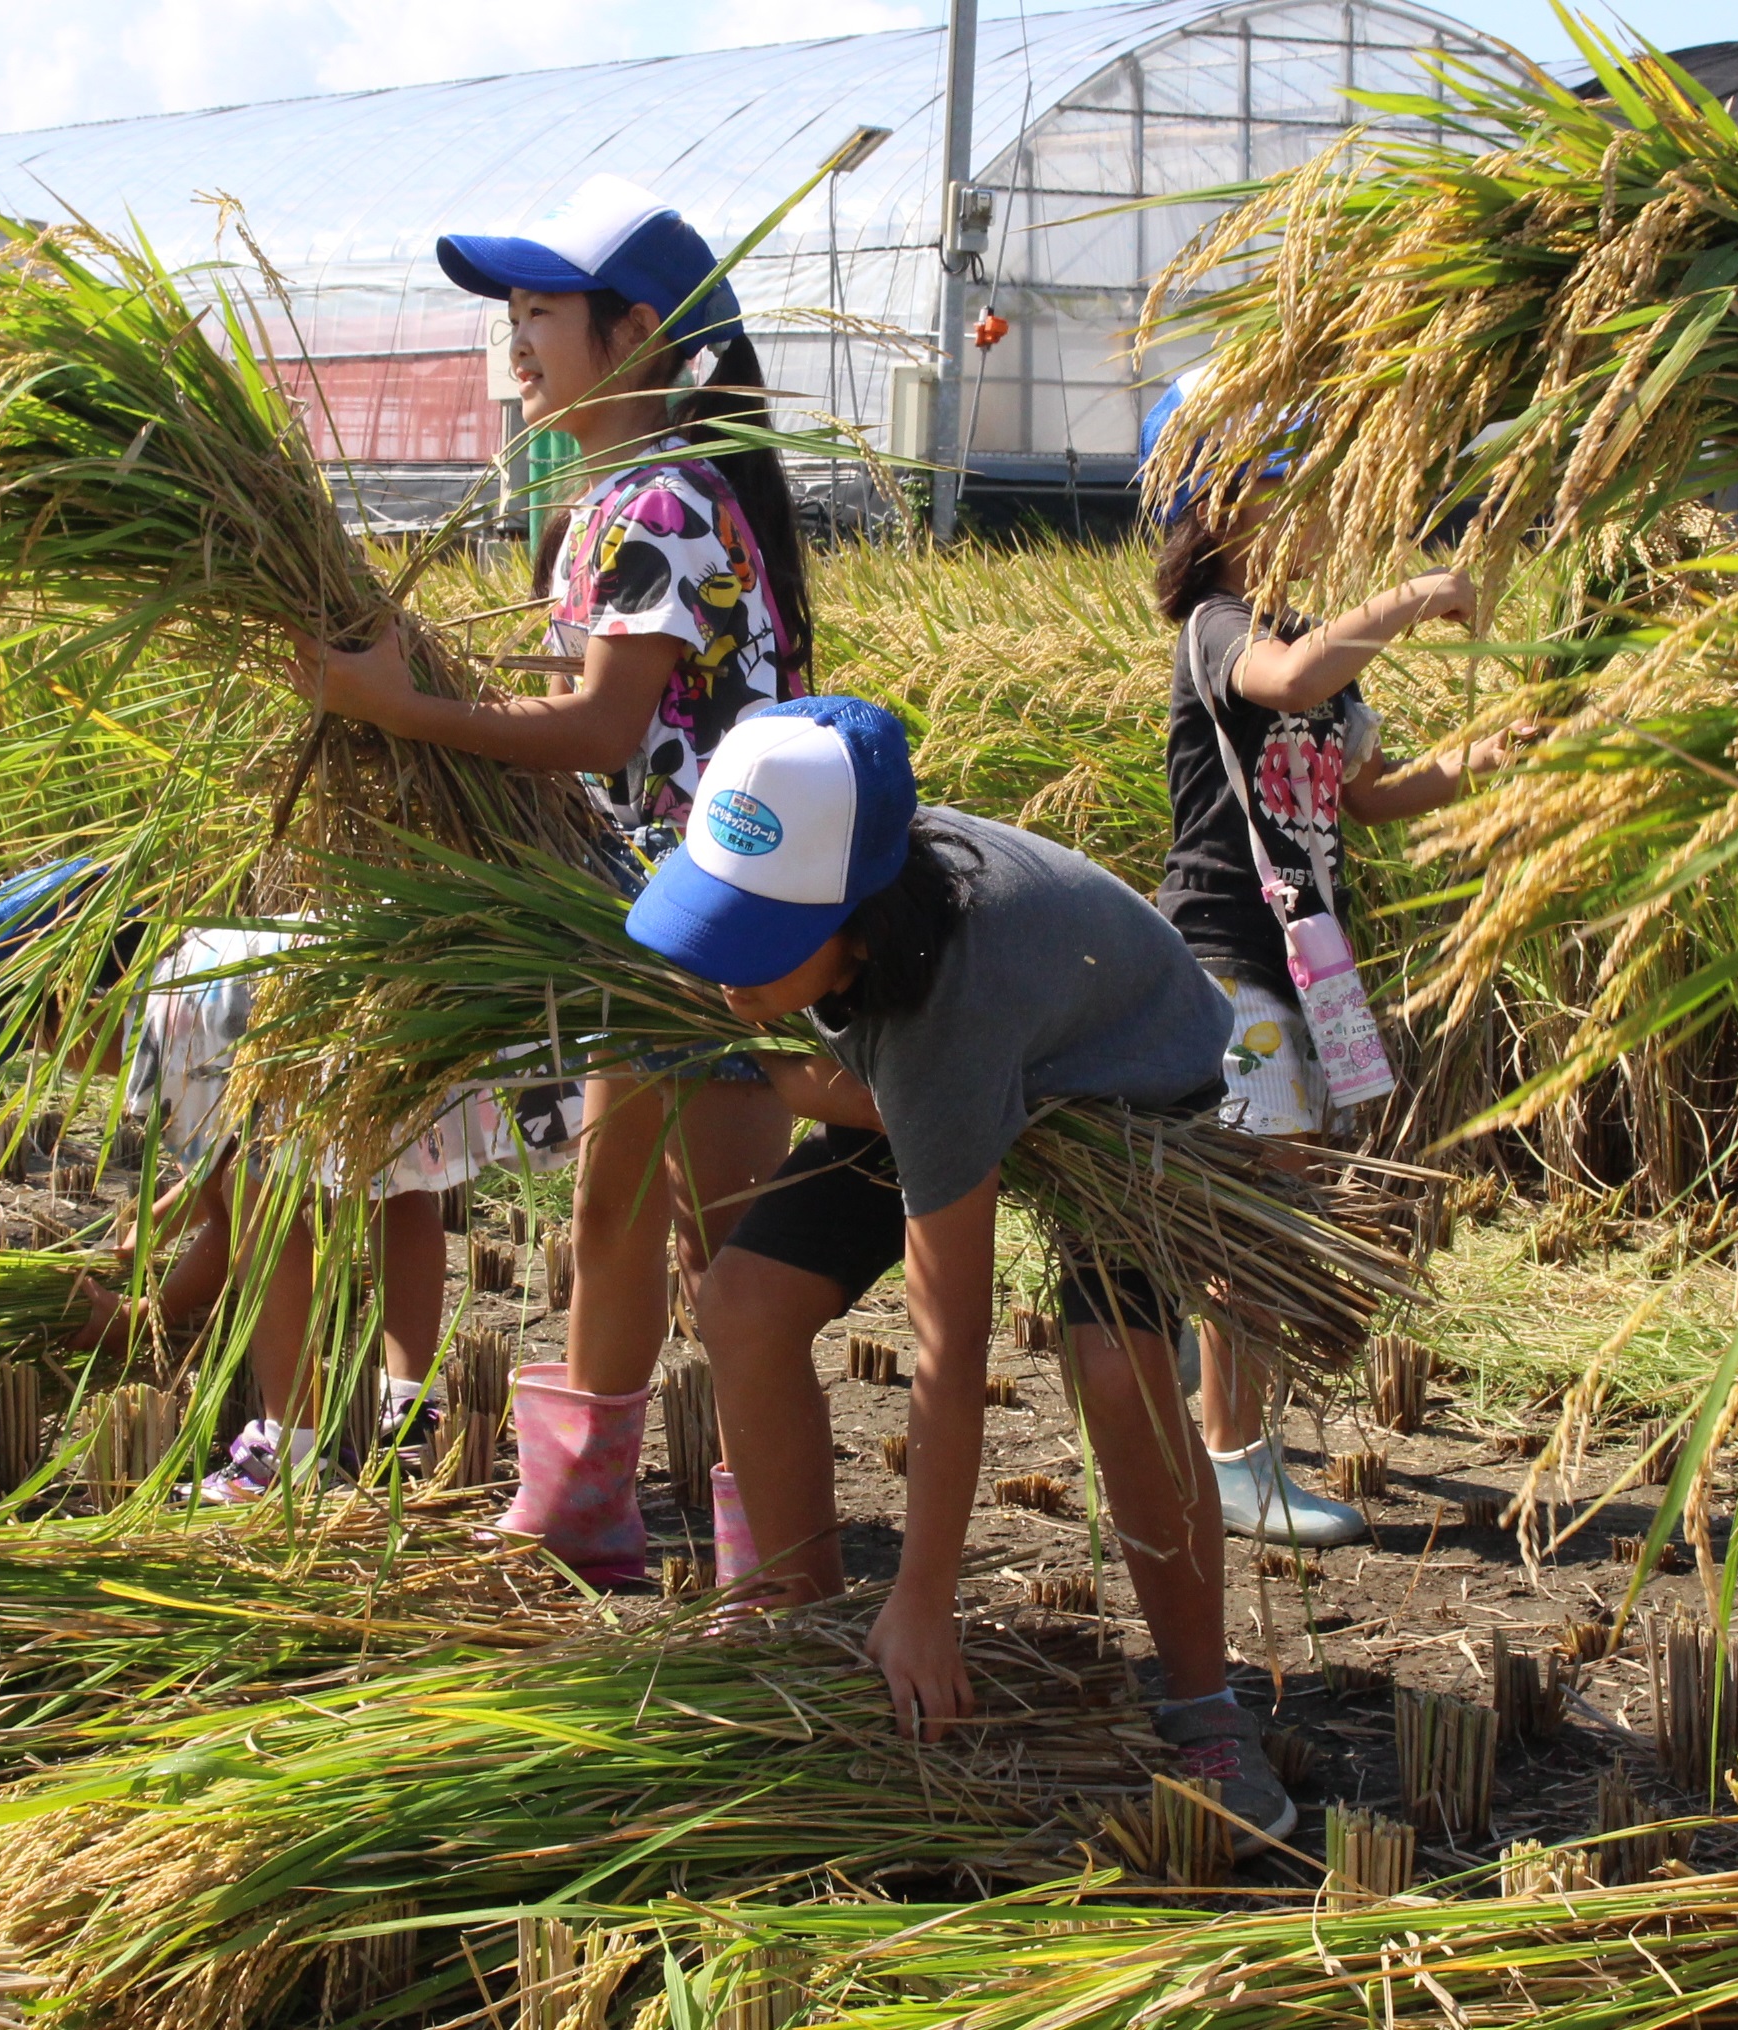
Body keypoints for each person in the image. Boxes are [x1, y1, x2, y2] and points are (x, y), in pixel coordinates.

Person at [622, 695, 1296, 1843]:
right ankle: (808, 1628)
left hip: (1125, 1087)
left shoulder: (944, 1006)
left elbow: (951, 1340)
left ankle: (1205, 1707)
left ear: (858, 919)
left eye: (757, 934)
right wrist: (756, 1065)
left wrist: (925, 1594)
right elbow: (878, 1085)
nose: (725, 966)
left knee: (1118, 1369)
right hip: (967, 1056)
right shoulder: (840, 894)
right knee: (742, 1301)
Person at [292, 174, 812, 1576]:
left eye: (542, 311)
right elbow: (608, 702)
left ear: (635, 334)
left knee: (725, 1251)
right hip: (657, 909)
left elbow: (597, 728)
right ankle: (589, 1509)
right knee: (620, 1207)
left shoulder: (663, 499)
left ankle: (774, 1561)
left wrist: (404, 710)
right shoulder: (611, 500)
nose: (514, 340)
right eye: (509, 312)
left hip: (722, 910)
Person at [1138, 370, 1520, 1549]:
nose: (1311, 513)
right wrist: (1414, 594)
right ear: (1218, 505)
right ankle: (1232, 1460)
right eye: (1287, 489)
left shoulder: (1308, 642)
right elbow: (1290, 682)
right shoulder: (1219, 630)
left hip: (1307, 957)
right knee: (1261, 1207)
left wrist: (1489, 754)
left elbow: (1369, 795)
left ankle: (1213, 1389)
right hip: (1227, 952)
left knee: (1282, 1189)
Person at [0, 859, 483, 1503]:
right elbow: (233, 1162)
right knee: (392, 1185)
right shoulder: (206, 958)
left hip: (319, 992)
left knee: (258, 1203)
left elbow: (232, 1214)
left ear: (81, 1001)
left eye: (46, 1039)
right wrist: (158, 1219)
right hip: (374, 972)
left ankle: (291, 1451)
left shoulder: (167, 1022)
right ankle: (406, 1413)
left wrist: (141, 1319)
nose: (63, 1064)